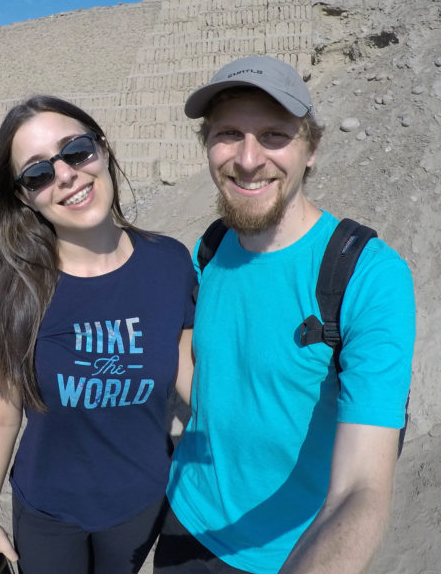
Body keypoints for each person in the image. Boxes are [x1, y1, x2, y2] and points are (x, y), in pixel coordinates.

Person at [155, 56, 415, 574]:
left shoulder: (368, 276)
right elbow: (207, 366)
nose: (248, 159)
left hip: (285, 553)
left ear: (311, 150)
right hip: (185, 517)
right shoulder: (211, 248)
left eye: (274, 135)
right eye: (229, 133)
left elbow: (361, 488)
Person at [0, 95, 196, 574]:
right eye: (37, 174)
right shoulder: (17, 286)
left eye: (76, 150)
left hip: (139, 502)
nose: (64, 174)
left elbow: (193, 378)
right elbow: (1, 415)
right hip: (49, 510)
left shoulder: (169, 262)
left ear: (102, 149)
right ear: (26, 196)